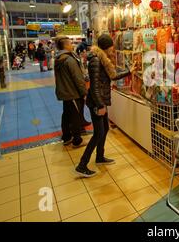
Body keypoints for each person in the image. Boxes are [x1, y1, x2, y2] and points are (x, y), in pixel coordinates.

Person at [75, 34, 131, 177]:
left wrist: (130, 72)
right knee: (98, 133)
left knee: (104, 129)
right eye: (112, 47)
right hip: (96, 102)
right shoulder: (96, 61)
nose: (113, 50)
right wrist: (100, 105)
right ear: (107, 47)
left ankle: (100, 157)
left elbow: (112, 76)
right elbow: (94, 87)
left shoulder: (102, 60)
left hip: (100, 101)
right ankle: (82, 165)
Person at [54, 36, 87, 148]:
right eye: (70, 43)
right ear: (66, 45)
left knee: (66, 115)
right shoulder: (69, 59)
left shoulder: (58, 58)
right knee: (75, 116)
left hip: (64, 92)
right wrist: (84, 93)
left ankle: (67, 137)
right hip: (72, 92)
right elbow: (78, 78)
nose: (72, 45)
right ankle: (77, 140)